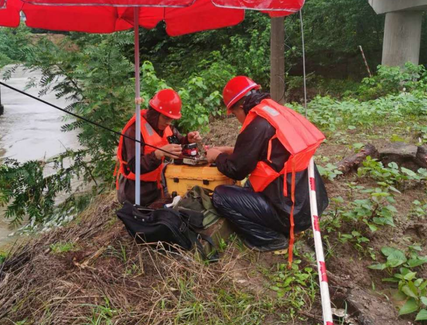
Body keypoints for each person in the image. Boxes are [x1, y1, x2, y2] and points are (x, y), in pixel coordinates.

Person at [206, 76, 329, 254]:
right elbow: (273, 153)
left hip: (291, 213)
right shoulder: (275, 113)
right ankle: (282, 226)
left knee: (221, 195)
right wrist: (232, 151)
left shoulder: (257, 124)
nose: (237, 119)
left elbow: (236, 170)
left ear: (241, 106)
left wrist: (217, 157)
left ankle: (269, 239)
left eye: (234, 114)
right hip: (309, 206)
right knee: (249, 186)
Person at [116, 89, 202, 206]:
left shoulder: (166, 126)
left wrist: (187, 139)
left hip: (156, 186)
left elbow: (177, 140)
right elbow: (134, 166)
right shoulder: (134, 131)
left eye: (171, 119)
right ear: (155, 113)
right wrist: (158, 154)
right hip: (135, 191)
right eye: (166, 118)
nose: (169, 122)